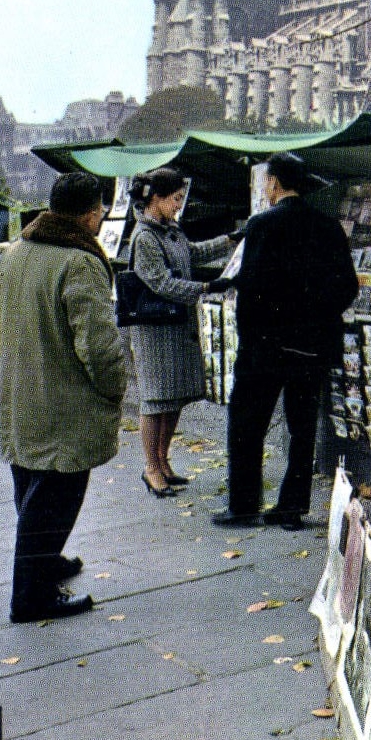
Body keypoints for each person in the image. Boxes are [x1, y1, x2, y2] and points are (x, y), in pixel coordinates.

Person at [0, 172, 128, 623]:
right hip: (62, 404)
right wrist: (113, 389)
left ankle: (45, 563)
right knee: (56, 496)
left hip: (20, 397)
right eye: (100, 210)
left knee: (29, 488)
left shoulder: (15, 252)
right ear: (90, 213)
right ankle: (30, 596)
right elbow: (99, 347)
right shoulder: (79, 262)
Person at [213, 152, 358, 529]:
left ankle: (243, 506)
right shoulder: (329, 227)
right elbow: (347, 286)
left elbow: (251, 287)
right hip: (311, 346)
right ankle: (291, 508)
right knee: (302, 428)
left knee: (246, 424)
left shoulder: (262, 225)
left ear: (274, 183)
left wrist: (253, 337)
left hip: (266, 345)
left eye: (266, 181)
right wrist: (317, 317)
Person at [127, 167, 232, 496]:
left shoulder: (170, 230)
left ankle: (162, 459)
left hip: (174, 327)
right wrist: (205, 287)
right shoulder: (144, 237)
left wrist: (231, 240)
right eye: (175, 199)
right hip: (155, 330)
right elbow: (159, 281)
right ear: (156, 199)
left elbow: (194, 252)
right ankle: (151, 466)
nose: (179, 206)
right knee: (155, 399)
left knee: (172, 398)